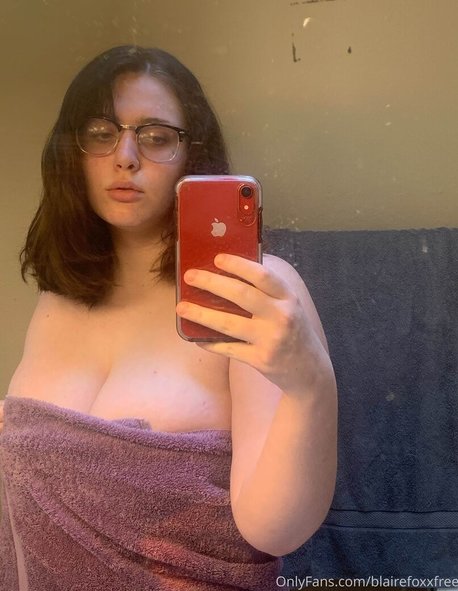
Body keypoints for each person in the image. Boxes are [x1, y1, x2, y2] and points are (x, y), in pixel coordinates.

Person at [0, 45, 337, 590]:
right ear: (72, 153)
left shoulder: (250, 289)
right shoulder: (57, 300)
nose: (125, 156)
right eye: (101, 132)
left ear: (192, 155)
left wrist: (312, 386)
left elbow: (275, 531)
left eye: (156, 137)